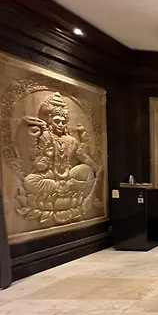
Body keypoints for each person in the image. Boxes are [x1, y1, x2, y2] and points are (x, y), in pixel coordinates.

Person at [19, 92, 99, 224]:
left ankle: (79, 193)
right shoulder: (45, 137)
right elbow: (37, 163)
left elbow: (82, 156)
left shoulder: (71, 140)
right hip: (51, 176)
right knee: (29, 181)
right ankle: (70, 188)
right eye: (57, 121)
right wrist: (33, 140)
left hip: (69, 174)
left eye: (63, 121)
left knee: (87, 170)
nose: (61, 124)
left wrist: (85, 144)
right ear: (49, 120)